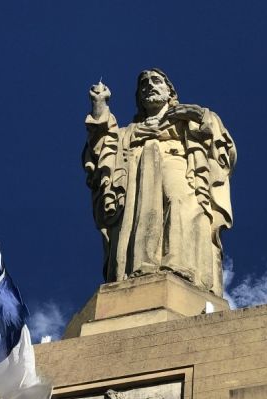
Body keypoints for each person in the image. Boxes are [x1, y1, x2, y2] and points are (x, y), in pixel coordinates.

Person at [83, 69, 236, 298]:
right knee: (136, 220)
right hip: (137, 170)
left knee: (182, 204)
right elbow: (102, 146)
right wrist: (100, 105)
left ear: (169, 91)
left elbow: (223, 148)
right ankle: (136, 273)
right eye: (143, 84)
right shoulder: (129, 131)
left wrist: (199, 115)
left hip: (179, 163)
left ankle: (182, 269)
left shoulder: (187, 118)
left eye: (156, 81)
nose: (149, 86)